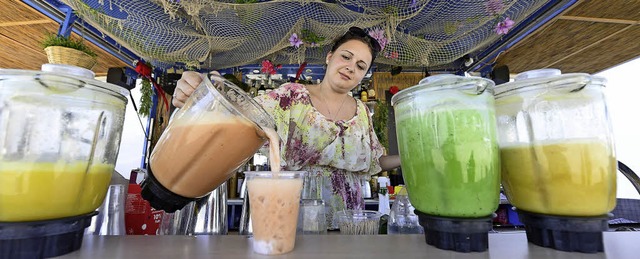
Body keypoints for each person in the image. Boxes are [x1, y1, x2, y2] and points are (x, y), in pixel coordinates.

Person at [172, 27, 401, 228]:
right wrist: (201, 95)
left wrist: (408, 157)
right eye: (346, 57)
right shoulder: (291, 96)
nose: (351, 67)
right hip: (294, 211)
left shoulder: (362, 112)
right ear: (330, 57)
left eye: (360, 66)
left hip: (349, 218)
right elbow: (240, 111)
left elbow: (376, 159)